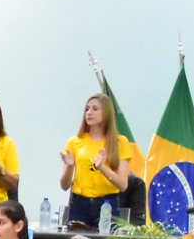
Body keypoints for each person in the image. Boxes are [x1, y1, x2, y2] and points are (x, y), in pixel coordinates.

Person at [59, 93, 138, 229]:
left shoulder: (120, 142)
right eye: (87, 109)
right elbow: (64, 185)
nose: (89, 113)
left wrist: (101, 167)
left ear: (106, 113)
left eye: (95, 109)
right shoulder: (74, 141)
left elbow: (123, 185)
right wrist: (70, 166)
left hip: (107, 204)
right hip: (79, 204)